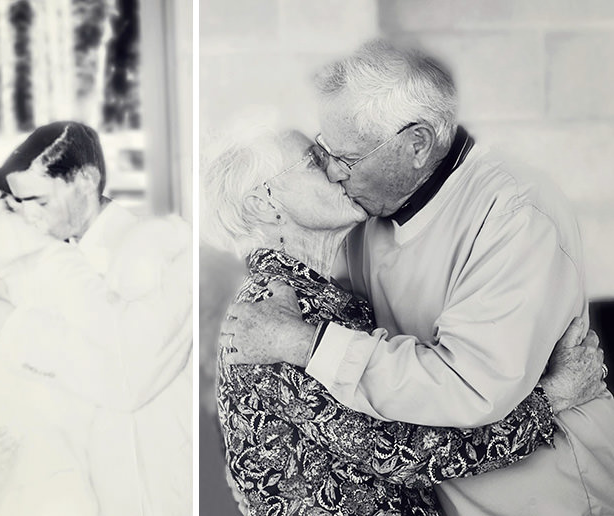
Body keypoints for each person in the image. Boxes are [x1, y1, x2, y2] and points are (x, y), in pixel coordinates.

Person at [221, 39, 614, 515]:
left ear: (417, 144)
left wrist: (307, 344)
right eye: (317, 155)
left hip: (546, 495)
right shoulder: (278, 304)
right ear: (263, 202)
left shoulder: (513, 213)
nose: (332, 172)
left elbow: (465, 392)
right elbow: (388, 445)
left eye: (342, 158)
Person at [0, 122, 192, 515]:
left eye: (37, 202)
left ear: (86, 181)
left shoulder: (161, 249)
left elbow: (125, 381)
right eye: (16, 203)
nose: (28, 218)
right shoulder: (32, 274)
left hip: (162, 494)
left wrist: (8, 324)